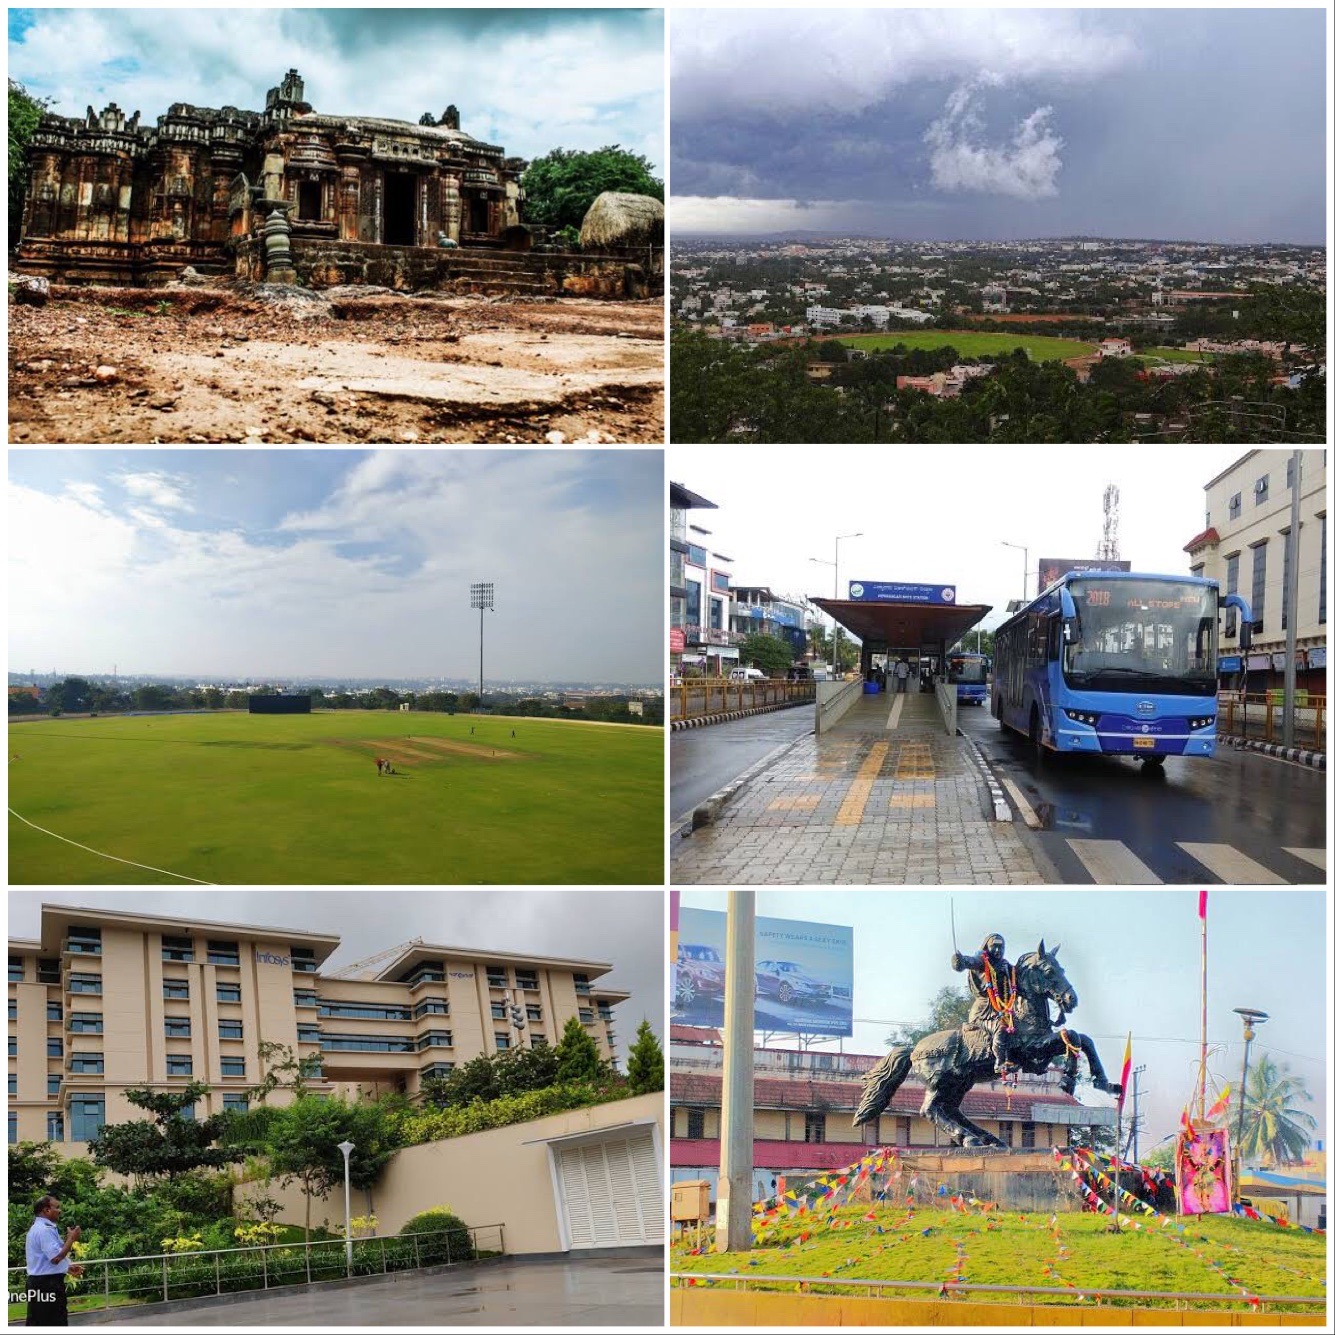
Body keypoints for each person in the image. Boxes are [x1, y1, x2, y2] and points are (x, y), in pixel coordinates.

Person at [952, 933, 1018, 1075]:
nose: (998, 951)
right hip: (984, 1012)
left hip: (1002, 1010)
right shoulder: (982, 960)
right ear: (987, 947)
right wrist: (961, 961)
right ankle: (1000, 1063)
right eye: (994, 947)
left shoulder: (1006, 966)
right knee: (1002, 1027)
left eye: (1001, 947)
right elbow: (970, 961)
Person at [25, 1195, 83, 1326]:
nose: (60, 1210)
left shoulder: (42, 1228)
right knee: (55, 1322)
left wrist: (67, 1267)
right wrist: (71, 1239)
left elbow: (51, 1256)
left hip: (41, 1283)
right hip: (47, 1285)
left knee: (38, 1322)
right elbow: (56, 1258)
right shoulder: (44, 1230)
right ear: (46, 1210)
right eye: (57, 1207)